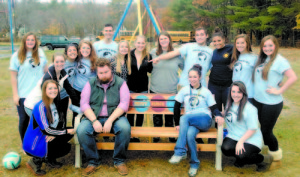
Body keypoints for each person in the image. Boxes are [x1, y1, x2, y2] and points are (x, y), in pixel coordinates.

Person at [77, 58, 131, 176]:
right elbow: (84, 104)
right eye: (100, 73)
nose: (103, 75)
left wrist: (110, 120)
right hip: (95, 116)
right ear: (97, 72)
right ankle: (93, 161)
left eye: (106, 72)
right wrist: (94, 120)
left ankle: (119, 161)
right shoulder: (90, 83)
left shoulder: (121, 83)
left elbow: (124, 104)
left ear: (111, 70)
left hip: (115, 116)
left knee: (125, 128)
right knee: (81, 130)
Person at [168, 64, 224, 177]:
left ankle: (179, 151)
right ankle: (194, 164)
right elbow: (176, 106)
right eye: (190, 77)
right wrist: (177, 124)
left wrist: (218, 115)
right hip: (190, 122)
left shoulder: (206, 92)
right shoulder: (184, 90)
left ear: (199, 77)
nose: (192, 79)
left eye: (194, 77)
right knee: (189, 134)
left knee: (185, 117)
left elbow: (214, 108)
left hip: (204, 120)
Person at [253, 35, 297, 161]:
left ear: (275, 46)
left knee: (266, 132)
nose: (267, 48)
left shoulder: (280, 60)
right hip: (258, 100)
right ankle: (263, 148)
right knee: (260, 129)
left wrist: (280, 90)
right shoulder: (262, 59)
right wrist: (278, 81)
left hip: (271, 103)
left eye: (270, 45)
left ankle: (276, 155)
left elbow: (293, 77)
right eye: (264, 46)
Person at [23, 80, 75, 176]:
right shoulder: (40, 106)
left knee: (68, 137)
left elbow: (59, 123)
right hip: (35, 142)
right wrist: (63, 131)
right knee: (65, 144)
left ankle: (50, 159)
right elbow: (46, 130)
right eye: (50, 88)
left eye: (55, 88)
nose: (53, 90)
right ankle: (36, 161)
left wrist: (55, 135)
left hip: (47, 136)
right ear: (44, 91)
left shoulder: (55, 103)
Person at [221, 81, 273, 172]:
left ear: (244, 93)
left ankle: (263, 160)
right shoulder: (229, 105)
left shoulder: (250, 109)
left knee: (241, 154)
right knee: (226, 149)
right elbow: (227, 116)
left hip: (251, 139)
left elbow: (252, 129)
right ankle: (240, 159)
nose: (235, 95)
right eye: (233, 91)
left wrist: (240, 142)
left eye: (239, 92)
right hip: (234, 135)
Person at [9, 32, 48, 142]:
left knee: (39, 119)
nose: (30, 42)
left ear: (35, 42)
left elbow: (46, 71)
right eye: (28, 40)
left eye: (32, 40)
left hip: (38, 94)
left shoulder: (40, 53)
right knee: (24, 120)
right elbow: (13, 77)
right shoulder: (16, 56)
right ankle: (25, 144)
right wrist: (15, 95)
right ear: (24, 42)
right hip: (23, 94)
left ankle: (39, 143)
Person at [24, 53, 80, 125]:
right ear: (53, 62)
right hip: (33, 105)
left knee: (52, 125)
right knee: (44, 128)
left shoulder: (62, 73)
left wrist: (78, 104)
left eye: (62, 61)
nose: (59, 63)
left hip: (44, 104)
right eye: (57, 62)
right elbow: (48, 97)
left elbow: (69, 89)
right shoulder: (48, 77)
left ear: (65, 62)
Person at [150, 31, 184, 143]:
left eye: (165, 38)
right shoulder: (153, 53)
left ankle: (171, 135)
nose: (163, 41)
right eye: (161, 39)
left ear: (169, 39)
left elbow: (186, 68)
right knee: (157, 116)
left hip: (171, 90)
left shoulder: (176, 54)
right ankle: (157, 135)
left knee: (170, 116)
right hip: (156, 89)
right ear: (158, 41)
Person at [126, 35, 153, 142]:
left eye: (142, 43)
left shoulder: (148, 56)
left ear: (145, 44)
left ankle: (137, 134)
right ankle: (130, 133)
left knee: (140, 111)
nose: (140, 45)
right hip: (130, 87)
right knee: (131, 111)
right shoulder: (128, 55)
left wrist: (154, 64)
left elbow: (150, 70)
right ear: (135, 43)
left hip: (143, 88)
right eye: (138, 43)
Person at [208, 27, 233, 113]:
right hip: (213, 85)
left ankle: (229, 126)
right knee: (215, 111)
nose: (217, 43)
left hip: (227, 86)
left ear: (224, 40)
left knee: (229, 110)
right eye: (214, 41)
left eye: (219, 40)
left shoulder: (231, 48)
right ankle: (215, 126)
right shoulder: (214, 52)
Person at [231, 34, 258, 104]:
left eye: (242, 43)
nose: (240, 45)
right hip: (236, 94)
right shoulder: (235, 57)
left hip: (248, 94)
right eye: (238, 43)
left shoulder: (254, 58)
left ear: (247, 44)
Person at [60, 44, 80, 124]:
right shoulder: (63, 63)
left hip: (72, 91)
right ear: (66, 53)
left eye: (74, 50)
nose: (72, 52)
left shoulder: (77, 62)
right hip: (61, 93)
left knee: (76, 112)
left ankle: (74, 129)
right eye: (70, 50)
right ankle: (61, 133)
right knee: (62, 114)